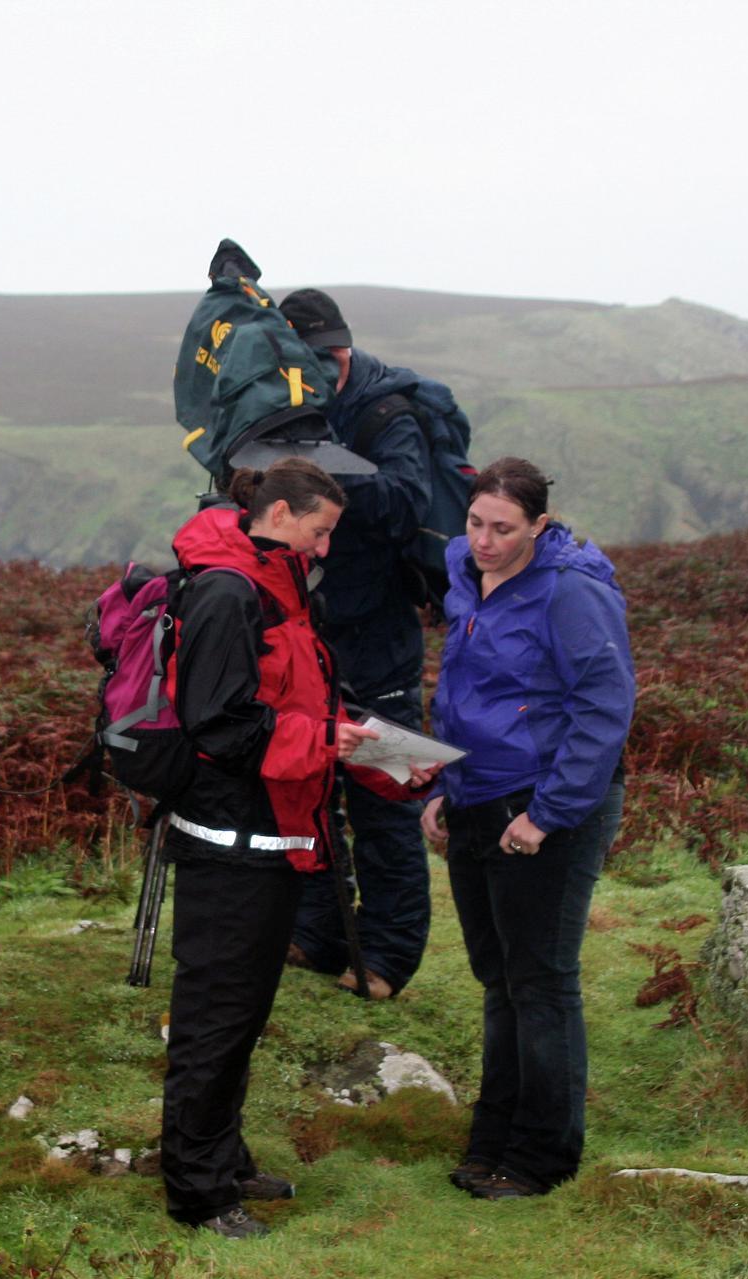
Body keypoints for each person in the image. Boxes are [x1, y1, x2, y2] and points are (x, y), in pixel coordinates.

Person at [158, 457, 383, 1239]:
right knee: (214, 1021)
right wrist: (326, 740)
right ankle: (197, 1194)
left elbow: (286, 696)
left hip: (274, 839)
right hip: (231, 845)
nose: (324, 548)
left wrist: (349, 736)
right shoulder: (229, 592)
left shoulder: (273, 583)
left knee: (241, 1016)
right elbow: (218, 724)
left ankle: (223, 1160)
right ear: (281, 514)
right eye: (319, 532)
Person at [421, 457, 635, 1199]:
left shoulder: (572, 593)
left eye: (503, 528)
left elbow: (604, 707)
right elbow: (468, 688)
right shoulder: (465, 570)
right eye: (475, 523)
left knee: (541, 981)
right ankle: (493, 1140)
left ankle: (542, 1158)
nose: (483, 540)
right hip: (476, 796)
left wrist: (547, 814)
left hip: (549, 805)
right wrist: (447, 788)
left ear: (539, 526)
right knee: (498, 979)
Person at [276, 287, 434, 1001]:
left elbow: (407, 501)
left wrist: (322, 479)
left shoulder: (385, 412)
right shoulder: (285, 401)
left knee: (386, 797)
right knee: (313, 788)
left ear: (340, 352)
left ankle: (388, 955)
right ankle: (319, 931)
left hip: (380, 643)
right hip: (312, 637)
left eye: (325, 359)